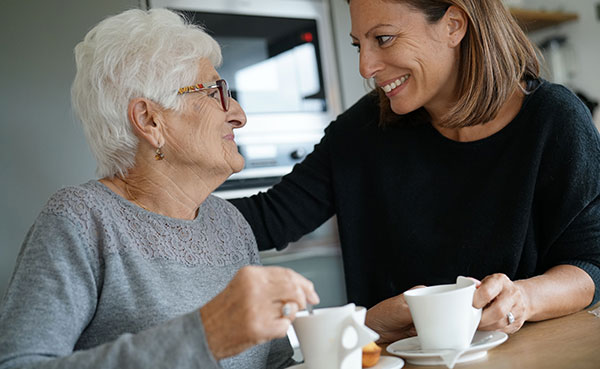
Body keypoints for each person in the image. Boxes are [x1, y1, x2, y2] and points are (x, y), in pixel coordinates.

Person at [231, 0, 600, 343]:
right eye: (359, 45)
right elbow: (268, 220)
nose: (366, 66)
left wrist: (523, 298)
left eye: (384, 38)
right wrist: (177, 177)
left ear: (453, 25)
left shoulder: (555, 120)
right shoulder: (362, 130)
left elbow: (591, 263)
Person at [0, 8, 319, 369]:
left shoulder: (230, 224)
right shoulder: (80, 221)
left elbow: (273, 363)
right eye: (216, 94)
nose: (239, 114)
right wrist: (204, 336)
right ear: (150, 120)